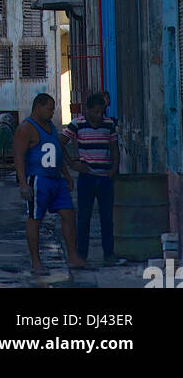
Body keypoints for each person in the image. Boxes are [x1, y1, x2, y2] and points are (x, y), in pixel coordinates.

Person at [13, 92, 86, 275]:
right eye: (50, 108)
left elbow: (57, 153)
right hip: (38, 180)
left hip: (56, 180)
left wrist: (67, 175)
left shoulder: (51, 127)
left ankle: (73, 256)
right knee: (35, 219)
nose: (52, 112)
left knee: (69, 214)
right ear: (38, 106)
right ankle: (36, 261)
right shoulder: (26, 128)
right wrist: (23, 183)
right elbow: (19, 157)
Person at [61, 91, 124, 265]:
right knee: (83, 218)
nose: (98, 116)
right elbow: (59, 143)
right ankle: (81, 255)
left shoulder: (108, 124)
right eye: (95, 112)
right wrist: (72, 164)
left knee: (107, 219)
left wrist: (114, 168)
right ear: (87, 110)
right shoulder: (77, 124)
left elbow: (114, 147)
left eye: (101, 112)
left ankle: (109, 255)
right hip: (87, 177)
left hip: (105, 178)